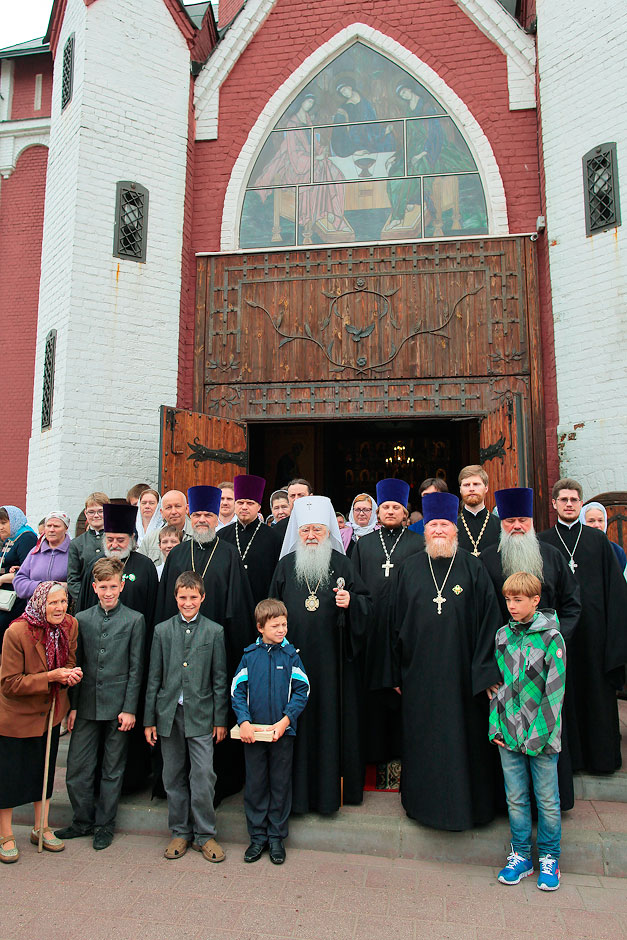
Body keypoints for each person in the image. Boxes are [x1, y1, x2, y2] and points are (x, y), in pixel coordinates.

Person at [388, 491, 502, 831]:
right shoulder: (408, 569)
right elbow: (393, 623)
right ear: (424, 530)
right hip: (419, 676)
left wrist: (485, 672)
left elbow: (490, 622)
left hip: (464, 678)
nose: (439, 530)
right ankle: (423, 806)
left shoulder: (473, 567)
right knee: (424, 743)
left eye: (445, 525)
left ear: (455, 529)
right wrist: (395, 672)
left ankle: (470, 808)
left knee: (464, 743)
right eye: (433, 525)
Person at [480, 487, 581, 808]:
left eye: (522, 520)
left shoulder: (551, 556)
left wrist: (552, 641)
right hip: (504, 667)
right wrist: (488, 668)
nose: (517, 526)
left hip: (546, 668)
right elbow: (479, 616)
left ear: (532, 521)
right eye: (509, 521)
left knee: (545, 730)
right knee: (506, 741)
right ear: (501, 524)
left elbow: (572, 605)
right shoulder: (487, 560)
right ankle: (508, 807)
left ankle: (549, 807)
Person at [269, 496, 371, 814]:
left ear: (328, 532)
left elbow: (367, 605)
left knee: (329, 726)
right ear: (297, 532)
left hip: (332, 666)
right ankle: (296, 798)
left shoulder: (343, 564)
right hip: (292, 664)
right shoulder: (285, 566)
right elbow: (270, 611)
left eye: (318, 530)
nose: (311, 536)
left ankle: (328, 797)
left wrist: (351, 602)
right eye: (305, 530)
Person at [156, 486, 255, 801]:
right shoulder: (177, 555)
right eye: (197, 514)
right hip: (178, 649)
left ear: (216, 518)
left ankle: (216, 787)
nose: (202, 520)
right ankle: (177, 788)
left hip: (216, 651)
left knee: (214, 719)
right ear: (189, 515)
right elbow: (164, 606)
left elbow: (238, 606)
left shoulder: (229, 554)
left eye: (208, 515)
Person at [55, 559, 145, 850]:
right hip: (87, 704)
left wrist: (130, 708)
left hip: (118, 706)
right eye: (103, 587)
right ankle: (82, 820)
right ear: (94, 587)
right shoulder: (81, 619)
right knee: (77, 768)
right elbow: (76, 663)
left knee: (112, 768)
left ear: (121, 586)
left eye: (113, 586)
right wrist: (73, 706)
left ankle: (105, 824)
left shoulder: (134, 620)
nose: (108, 592)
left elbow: (136, 668)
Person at [539, 479, 627, 774]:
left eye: (574, 500)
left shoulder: (598, 541)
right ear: (554, 503)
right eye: (563, 499)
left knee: (596, 696)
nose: (568, 504)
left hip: (595, 637)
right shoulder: (543, 542)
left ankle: (601, 760)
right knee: (563, 699)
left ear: (580, 503)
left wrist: (615, 639)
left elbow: (615, 592)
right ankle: (571, 762)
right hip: (557, 636)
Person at [144, 570, 228, 862]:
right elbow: (153, 678)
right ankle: (180, 831)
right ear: (175, 597)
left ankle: (205, 834)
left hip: (202, 714)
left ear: (202, 598)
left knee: (203, 774)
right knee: (172, 775)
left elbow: (219, 679)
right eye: (183, 597)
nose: (188, 602)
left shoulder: (214, 632)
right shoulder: (162, 631)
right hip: (169, 714)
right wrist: (149, 720)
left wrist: (220, 719)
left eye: (193, 597)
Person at [490, 572, 565, 892]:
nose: (512, 606)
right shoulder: (502, 636)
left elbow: (554, 692)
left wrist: (537, 737)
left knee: (547, 800)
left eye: (518, 600)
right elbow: (498, 688)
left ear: (536, 600)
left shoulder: (552, 638)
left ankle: (550, 858)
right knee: (516, 798)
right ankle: (520, 855)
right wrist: (496, 725)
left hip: (542, 738)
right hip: (508, 732)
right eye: (508, 600)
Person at [0, 581, 82, 862]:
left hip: (50, 712)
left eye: (63, 602)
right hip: (16, 716)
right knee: (9, 776)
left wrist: (69, 675)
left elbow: (69, 661)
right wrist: (51, 677)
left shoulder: (70, 625)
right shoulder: (16, 632)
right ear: (39, 604)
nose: (60, 608)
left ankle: (41, 827)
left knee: (43, 771)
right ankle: (5, 834)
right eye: (53, 603)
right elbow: (9, 683)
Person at [231, 598, 310, 865]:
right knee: (255, 785)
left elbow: (302, 690)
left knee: (279, 785)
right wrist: (244, 722)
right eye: (275, 626)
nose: (281, 630)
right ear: (260, 627)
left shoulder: (291, 656)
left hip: (281, 734)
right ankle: (257, 837)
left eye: (284, 625)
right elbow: (237, 691)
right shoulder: (249, 656)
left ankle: (276, 838)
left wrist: (286, 721)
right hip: (253, 736)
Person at [352, 479, 424, 765]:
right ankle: (374, 757)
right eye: (385, 507)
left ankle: (404, 755)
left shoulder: (418, 543)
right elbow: (355, 588)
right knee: (373, 698)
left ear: (405, 512)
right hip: (371, 632)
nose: (390, 511)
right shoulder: (363, 545)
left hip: (406, 631)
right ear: (378, 512)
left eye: (396, 507)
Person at [220, 475, 281, 606]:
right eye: (240, 502)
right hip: (229, 605)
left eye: (250, 503)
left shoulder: (273, 537)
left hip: (261, 605)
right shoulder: (221, 535)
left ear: (258, 506)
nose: (244, 507)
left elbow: (277, 577)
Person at [14, 512, 72, 601]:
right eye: (48, 526)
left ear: (66, 529)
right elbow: (19, 582)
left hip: (64, 606)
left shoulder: (74, 551)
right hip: (35, 607)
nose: (51, 530)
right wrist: (43, 587)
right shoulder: (35, 552)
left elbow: (81, 585)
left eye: (56, 526)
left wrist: (63, 588)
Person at [0, 506, 38, 641]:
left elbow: (28, 571)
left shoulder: (27, 538)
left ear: (15, 520)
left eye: (4, 523)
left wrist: (3, 578)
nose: (0, 527)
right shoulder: (10, 538)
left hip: (16, 597)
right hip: (5, 595)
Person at [67, 492, 110, 603]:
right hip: (86, 602)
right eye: (91, 512)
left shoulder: (116, 539)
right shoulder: (76, 543)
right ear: (86, 514)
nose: (96, 515)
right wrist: (85, 600)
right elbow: (73, 579)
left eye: (100, 511)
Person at [138, 489, 192, 565]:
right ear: (162, 512)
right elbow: (139, 566)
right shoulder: (151, 539)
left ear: (187, 509)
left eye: (178, 506)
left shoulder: (197, 536)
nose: (173, 512)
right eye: (168, 507)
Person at [456, 465, 501, 556]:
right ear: (460, 489)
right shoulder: (453, 527)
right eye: (466, 485)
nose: (471, 489)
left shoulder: (499, 525)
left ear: (486, 488)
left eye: (476, 484)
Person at [580, 501, 627, 577]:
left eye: (600, 520)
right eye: (591, 521)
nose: (597, 525)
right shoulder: (575, 550)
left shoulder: (617, 551)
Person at [271, 478, 313, 546]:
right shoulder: (279, 528)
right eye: (292, 496)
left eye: (301, 495)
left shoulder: (322, 523)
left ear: (310, 497)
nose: (296, 499)